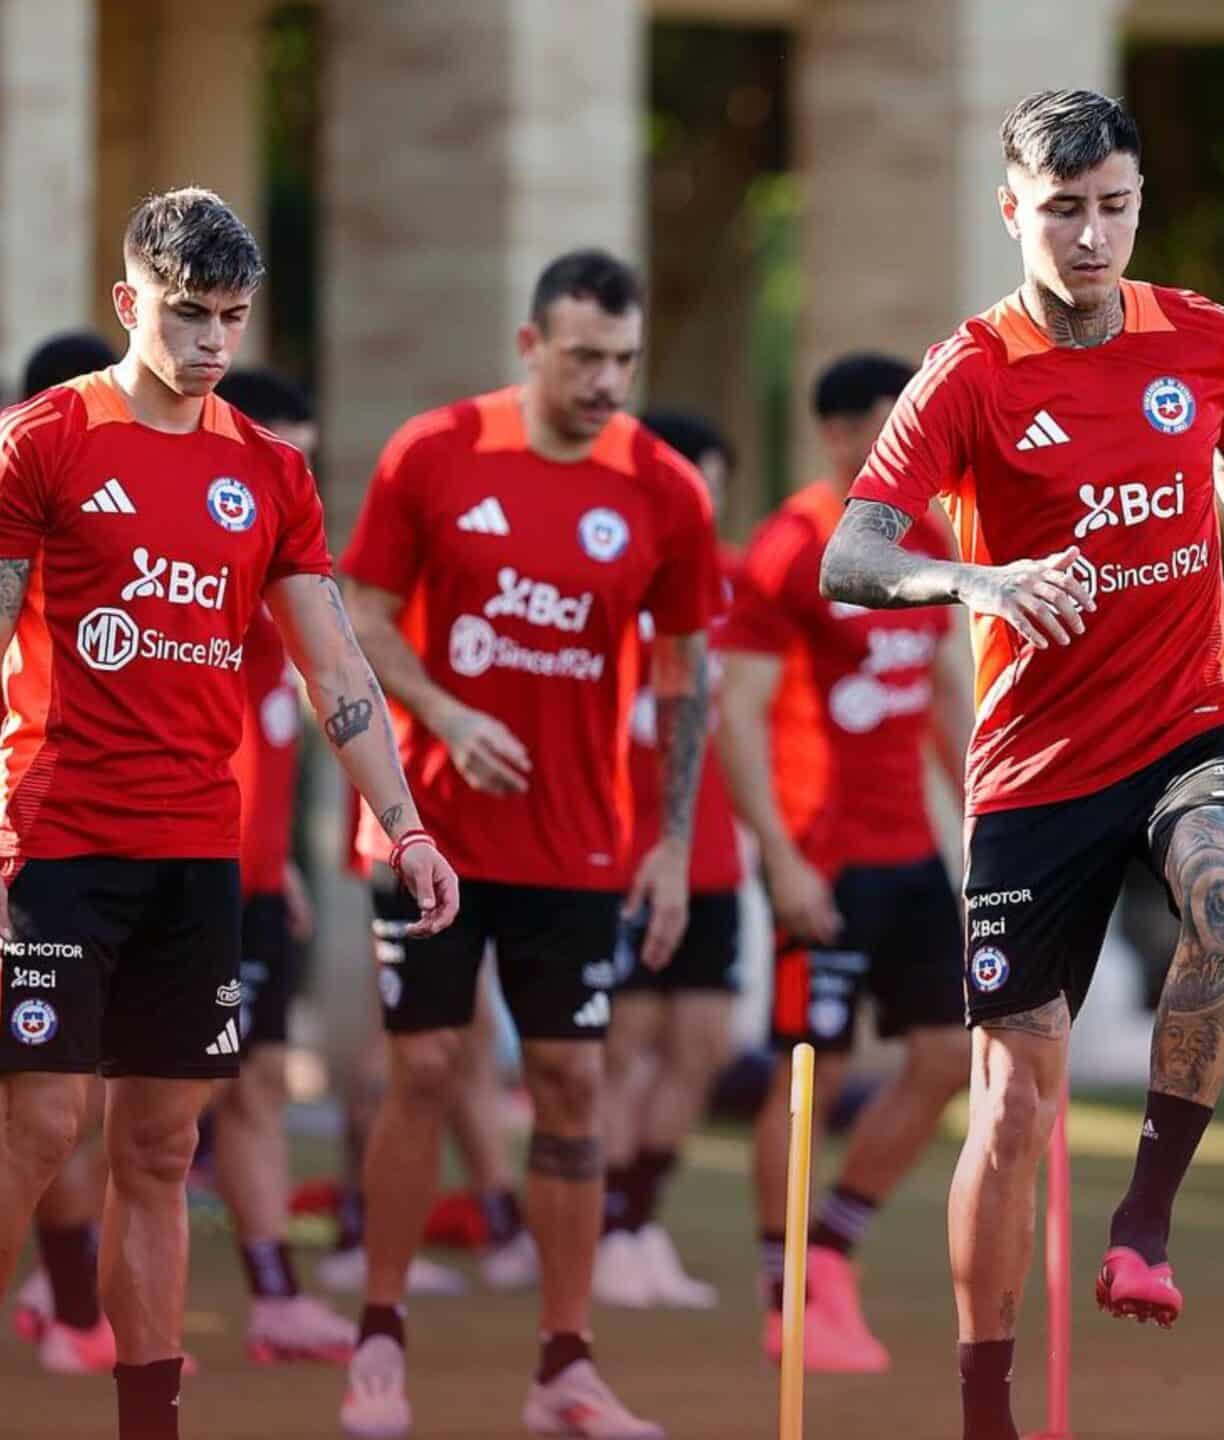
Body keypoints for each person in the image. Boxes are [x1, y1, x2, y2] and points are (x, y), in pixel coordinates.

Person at [819, 89, 1224, 1440]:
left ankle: (1145, 1218)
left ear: (1140, 205)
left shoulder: (1203, 338)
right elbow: (850, 557)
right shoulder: (968, 372)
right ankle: (984, 1411)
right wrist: (986, 575)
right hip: (1031, 773)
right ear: (1013, 207)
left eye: (1115, 208)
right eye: (1065, 209)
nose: (1091, 237)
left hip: (1190, 722)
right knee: (1014, 1102)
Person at [0, 188, 459, 1440]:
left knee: (160, 1149)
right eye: (186, 314)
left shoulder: (268, 473)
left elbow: (338, 672)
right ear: (126, 303)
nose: (210, 343)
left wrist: (406, 827)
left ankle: (148, 1418)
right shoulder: (44, 441)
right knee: (40, 1119)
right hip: (54, 840)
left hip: (197, 855)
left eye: (231, 320)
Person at [336, 249, 720, 1438]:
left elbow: (682, 678)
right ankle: (379, 1341)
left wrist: (669, 847)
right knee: (430, 1070)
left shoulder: (664, 487)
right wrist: (443, 710)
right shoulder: (434, 451)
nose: (607, 380)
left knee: (571, 1083)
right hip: (429, 837)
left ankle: (565, 1367)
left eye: (623, 359)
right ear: (528, 346)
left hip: (574, 845)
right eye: (583, 357)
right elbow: (360, 620)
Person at [716, 351, 973, 1370]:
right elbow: (736, 713)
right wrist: (776, 858)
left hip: (909, 847)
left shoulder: (927, 533)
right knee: (807, 1077)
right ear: (832, 435)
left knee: (948, 1054)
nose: (898, 450)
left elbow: (942, 689)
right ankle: (786, 1291)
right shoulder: (789, 549)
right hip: (818, 855)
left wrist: (982, 812)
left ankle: (834, 1247)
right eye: (879, 429)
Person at [198, 366, 364, 1363]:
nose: (284, 471)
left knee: (255, 1085)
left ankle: (272, 1299)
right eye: (272, 447)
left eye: (300, 451)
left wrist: (279, 856)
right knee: (93, 1098)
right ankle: (68, 1283)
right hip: (164, 864)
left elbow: (307, 699)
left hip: (249, 880)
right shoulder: (191, 554)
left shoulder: (282, 547)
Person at [591, 409, 746, 1312]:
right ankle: (607, 1228)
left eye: (713, 487)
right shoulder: (607, 585)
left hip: (713, 858)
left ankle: (642, 1220)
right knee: (623, 1047)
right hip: (618, 854)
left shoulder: (730, 587)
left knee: (702, 1044)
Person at [5, 326, 122, 1374]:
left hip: (61, 849)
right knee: (48, 1107)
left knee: (50, 1105)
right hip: (31, 842)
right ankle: (78, 1314)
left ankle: (79, 1313)